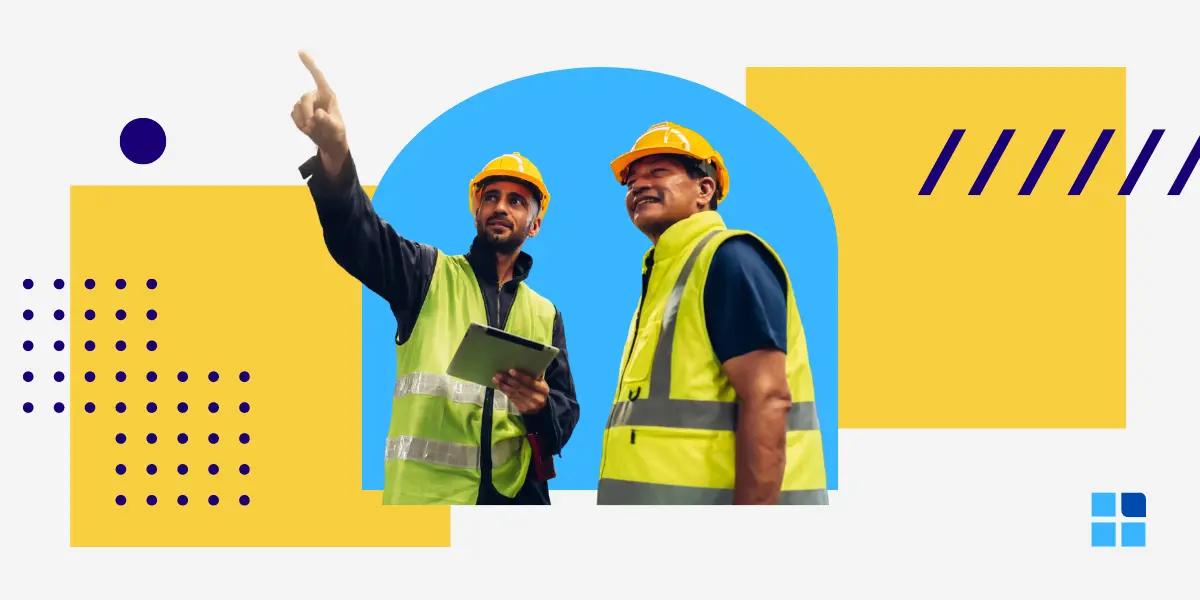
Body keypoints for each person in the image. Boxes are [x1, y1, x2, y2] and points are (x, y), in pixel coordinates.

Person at [290, 51, 579, 505]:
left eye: (518, 201)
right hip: (431, 506)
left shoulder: (545, 314)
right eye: (492, 197)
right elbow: (357, 235)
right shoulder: (426, 274)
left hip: (517, 499)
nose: (502, 207)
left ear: (534, 224)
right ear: (477, 209)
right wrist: (334, 152)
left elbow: (566, 410)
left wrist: (541, 407)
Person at [596, 122, 827, 505]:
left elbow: (767, 396)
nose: (638, 186)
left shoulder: (727, 258)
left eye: (657, 172)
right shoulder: (666, 276)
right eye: (631, 181)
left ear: (705, 190)